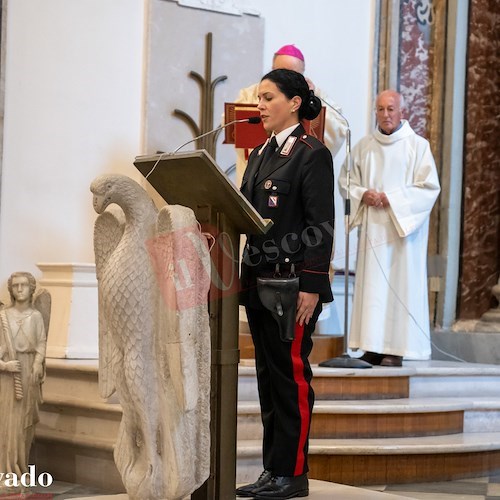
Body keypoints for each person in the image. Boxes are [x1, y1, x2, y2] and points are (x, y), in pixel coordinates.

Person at [237, 69, 334, 499]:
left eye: (268, 97)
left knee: (290, 380)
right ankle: (272, 470)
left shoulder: (311, 154)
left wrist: (312, 286)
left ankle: (292, 475)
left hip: (292, 288)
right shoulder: (259, 154)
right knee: (267, 381)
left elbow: (320, 226)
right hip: (258, 284)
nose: (259, 104)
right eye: (259, 97)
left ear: (294, 103)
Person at [338, 89, 440, 367]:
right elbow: (346, 180)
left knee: (399, 285)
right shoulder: (363, 146)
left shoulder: (417, 146)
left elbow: (429, 188)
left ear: (402, 112)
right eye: (380, 109)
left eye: (391, 109)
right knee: (372, 286)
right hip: (372, 228)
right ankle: (371, 346)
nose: (385, 115)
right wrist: (362, 194)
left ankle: (396, 348)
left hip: (401, 233)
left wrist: (393, 199)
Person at [232, 44, 346, 187]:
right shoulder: (251, 93)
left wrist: (312, 96)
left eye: (293, 74)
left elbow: (339, 129)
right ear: (272, 69)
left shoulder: (316, 95)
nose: (261, 105)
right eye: (280, 72)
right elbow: (233, 125)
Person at [0, 272, 47, 477]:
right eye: (16, 285)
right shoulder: (3, 316)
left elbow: (41, 343)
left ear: (31, 289)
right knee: (8, 423)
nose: (19, 289)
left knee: (23, 424)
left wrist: (38, 363)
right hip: (8, 375)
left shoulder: (36, 316)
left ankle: (20, 469)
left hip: (28, 372)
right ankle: (5, 470)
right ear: (10, 289)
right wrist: (4, 366)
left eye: (24, 285)